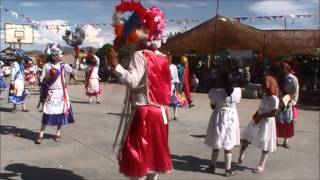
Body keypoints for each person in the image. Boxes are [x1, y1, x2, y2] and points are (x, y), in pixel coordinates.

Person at [107, 5, 173, 180]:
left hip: (144, 112)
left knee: (139, 158)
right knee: (154, 158)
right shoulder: (164, 58)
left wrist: (115, 65)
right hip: (161, 113)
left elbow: (132, 81)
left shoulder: (140, 55)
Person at [238, 76, 279, 173]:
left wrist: (261, 116)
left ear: (269, 87)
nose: (262, 88)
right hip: (258, 119)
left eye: (264, 86)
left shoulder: (274, 99)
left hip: (267, 122)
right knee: (246, 136)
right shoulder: (264, 96)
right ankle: (241, 153)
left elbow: (273, 113)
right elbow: (260, 108)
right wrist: (256, 114)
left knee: (265, 142)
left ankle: (261, 165)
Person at [35, 43, 75, 144]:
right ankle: (41, 133)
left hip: (61, 93)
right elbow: (41, 79)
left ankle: (58, 133)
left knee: (61, 113)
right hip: (51, 92)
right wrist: (48, 78)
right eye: (56, 55)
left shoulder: (63, 65)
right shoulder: (47, 66)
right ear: (52, 55)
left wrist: (77, 59)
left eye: (58, 55)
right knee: (47, 113)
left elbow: (73, 71)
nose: (57, 57)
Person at [204, 72, 241, 177]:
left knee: (217, 140)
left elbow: (212, 106)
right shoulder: (237, 91)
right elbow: (236, 104)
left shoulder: (215, 92)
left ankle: (212, 166)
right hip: (232, 117)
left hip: (219, 116)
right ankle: (227, 170)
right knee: (228, 142)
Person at [276, 62, 299, 148]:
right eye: (281, 68)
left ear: (288, 69)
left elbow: (295, 92)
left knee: (287, 122)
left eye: (283, 68)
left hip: (288, 101)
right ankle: (275, 139)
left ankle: (286, 140)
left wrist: (292, 102)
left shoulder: (293, 79)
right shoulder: (278, 78)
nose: (282, 70)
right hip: (279, 101)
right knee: (277, 121)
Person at [168, 53, 180, 120]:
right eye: (167, 57)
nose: (169, 59)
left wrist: (177, 86)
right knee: (166, 101)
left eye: (170, 58)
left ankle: (175, 115)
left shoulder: (174, 66)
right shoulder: (163, 66)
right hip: (166, 85)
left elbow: (176, 77)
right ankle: (167, 115)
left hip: (173, 85)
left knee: (175, 100)